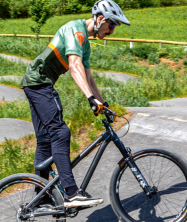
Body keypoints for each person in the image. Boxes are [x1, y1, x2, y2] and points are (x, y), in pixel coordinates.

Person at [19, 0, 130, 207]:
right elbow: (74, 65)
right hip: (39, 83)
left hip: (35, 83)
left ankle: (41, 197)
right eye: (112, 25)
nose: (112, 31)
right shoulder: (75, 30)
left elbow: (88, 78)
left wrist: (103, 103)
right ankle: (71, 193)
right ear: (99, 19)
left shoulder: (85, 43)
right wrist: (90, 99)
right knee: (60, 132)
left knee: (45, 140)